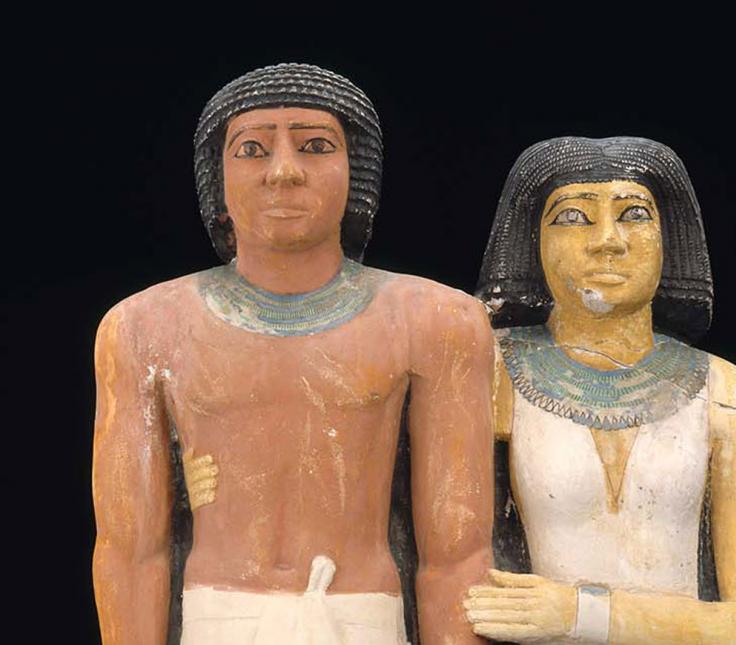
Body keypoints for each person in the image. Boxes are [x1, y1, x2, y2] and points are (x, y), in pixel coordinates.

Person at [92, 63, 494, 645]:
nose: (283, 171)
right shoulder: (143, 328)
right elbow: (130, 551)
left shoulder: (436, 320)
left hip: (360, 618)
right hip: (217, 618)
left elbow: (456, 555)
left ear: (356, 174)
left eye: (315, 146)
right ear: (217, 180)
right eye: (252, 149)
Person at [465, 137, 736, 643]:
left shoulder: (727, 393)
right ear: (531, 242)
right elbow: (452, 572)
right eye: (572, 217)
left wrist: (576, 613)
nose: (608, 241)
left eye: (634, 214)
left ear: (669, 238)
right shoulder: (491, 369)